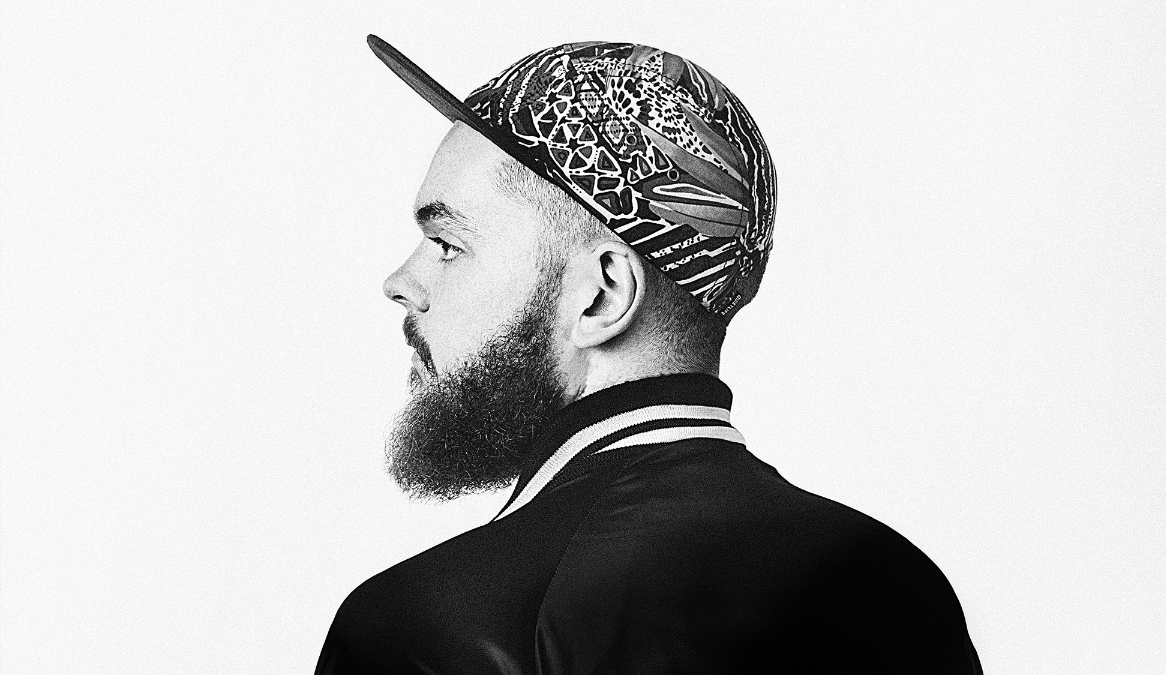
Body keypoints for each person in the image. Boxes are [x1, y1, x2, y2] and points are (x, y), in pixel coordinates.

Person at [315, 36, 982, 674]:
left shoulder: (430, 628)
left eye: (447, 245)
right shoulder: (899, 586)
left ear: (602, 295)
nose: (400, 282)